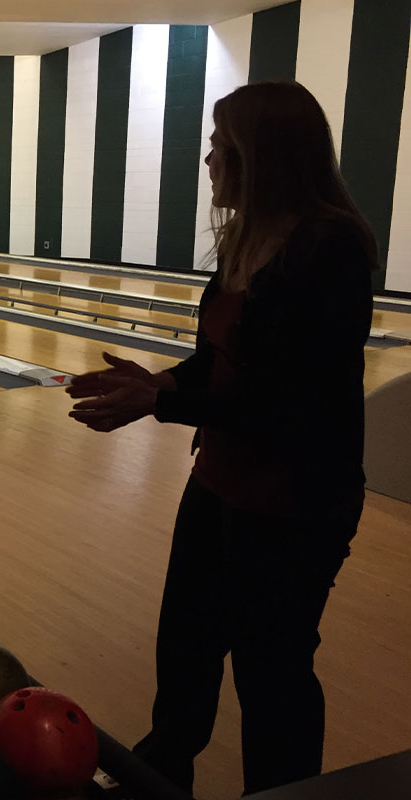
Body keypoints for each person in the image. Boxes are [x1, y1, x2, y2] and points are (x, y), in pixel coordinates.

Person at [66, 82, 375, 796]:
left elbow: (295, 406)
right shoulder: (247, 240)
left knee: (274, 670)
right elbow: (221, 365)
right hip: (221, 483)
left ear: (261, 156)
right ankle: (159, 776)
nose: (207, 160)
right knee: (186, 652)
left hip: (296, 502)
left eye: (220, 146)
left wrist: (161, 406)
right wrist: (159, 384)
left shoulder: (328, 250)